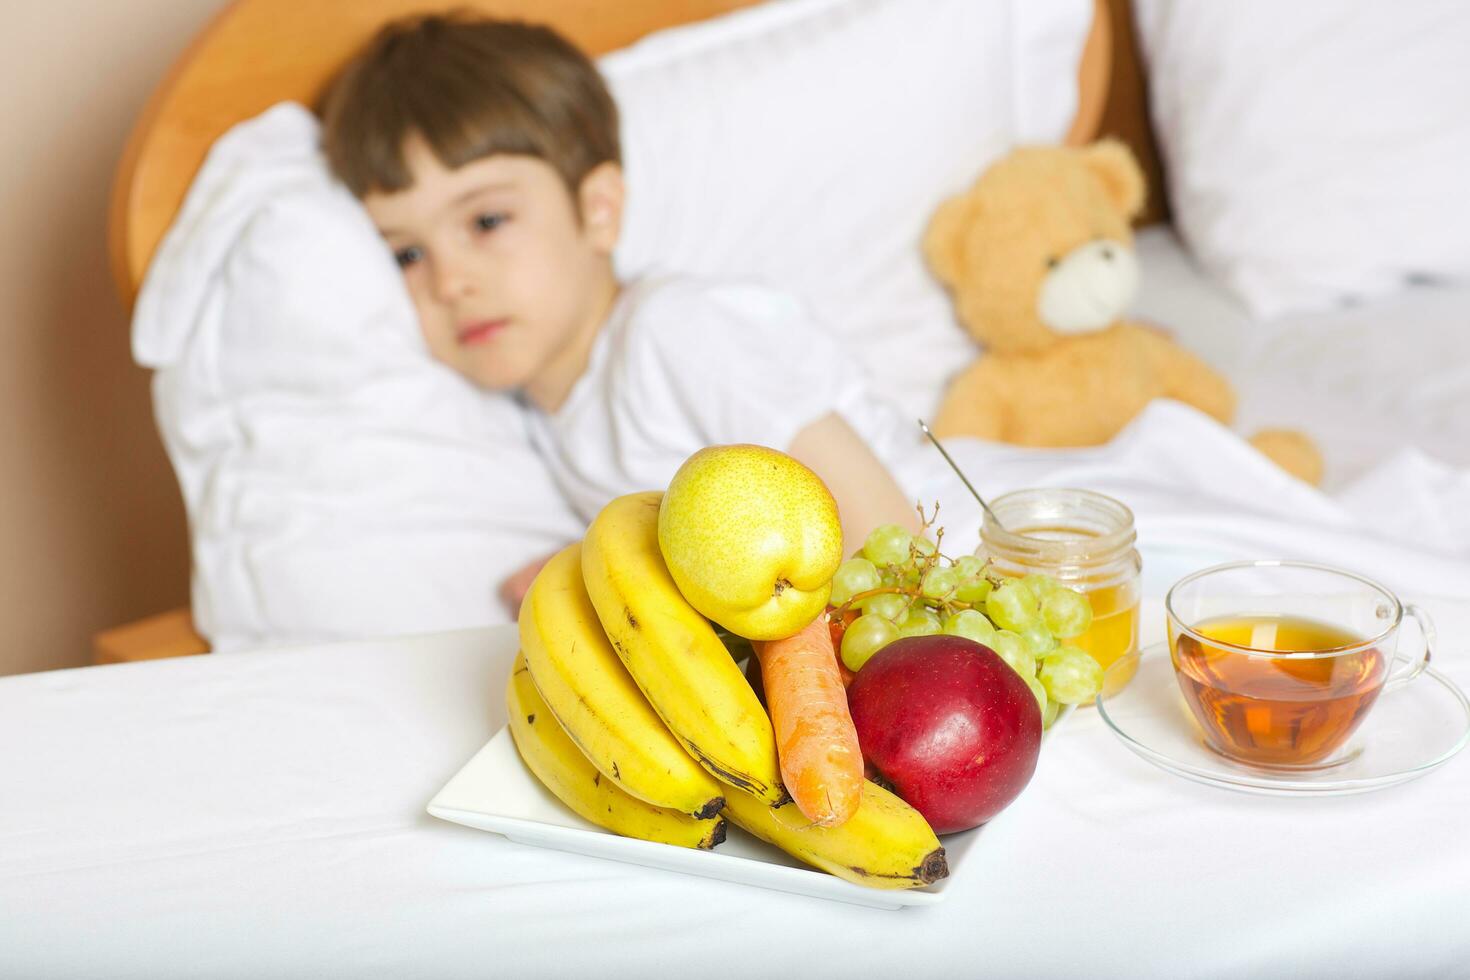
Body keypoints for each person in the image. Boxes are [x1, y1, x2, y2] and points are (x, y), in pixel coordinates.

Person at [320, 14, 920, 611]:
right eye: (408, 254)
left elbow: (883, 533)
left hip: (963, 574)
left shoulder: (676, 332)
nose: (450, 282)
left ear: (599, 210)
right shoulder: (541, 413)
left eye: (486, 221)